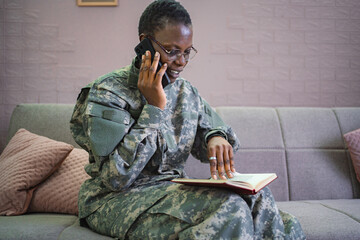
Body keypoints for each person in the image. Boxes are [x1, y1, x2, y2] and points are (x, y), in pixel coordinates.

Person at [70, 0, 305, 239]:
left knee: (267, 205)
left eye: (186, 52)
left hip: (170, 191)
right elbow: (115, 177)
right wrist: (154, 108)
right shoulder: (107, 92)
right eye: (171, 51)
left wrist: (215, 137)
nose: (181, 62)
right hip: (114, 201)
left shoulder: (185, 92)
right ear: (145, 42)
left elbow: (211, 133)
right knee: (230, 209)